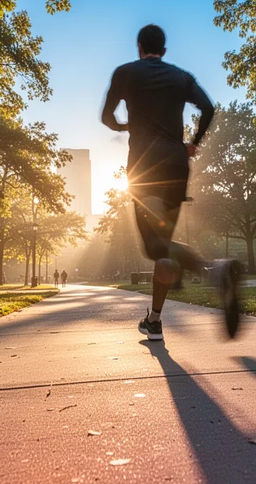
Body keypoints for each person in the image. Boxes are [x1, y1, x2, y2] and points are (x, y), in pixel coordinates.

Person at [101, 24, 242, 341]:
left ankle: (211, 269)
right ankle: (154, 319)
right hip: (177, 165)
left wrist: (126, 126)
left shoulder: (125, 73)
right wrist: (194, 143)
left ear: (139, 47)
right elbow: (207, 108)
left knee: (155, 246)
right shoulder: (181, 76)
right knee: (164, 248)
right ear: (163, 50)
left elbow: (106, 118)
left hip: (144, 170)